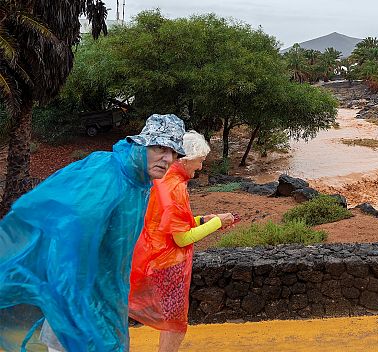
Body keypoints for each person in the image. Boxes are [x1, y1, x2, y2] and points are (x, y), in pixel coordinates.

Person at [0, 114, 186, 352]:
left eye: (174, 153)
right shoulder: (106, 174)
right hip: (78, 304)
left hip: (104, 299)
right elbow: (70, 237)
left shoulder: (140, 183)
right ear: (141, 144)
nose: (168, 158)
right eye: (160, 147)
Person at [129, 131, 235, 352]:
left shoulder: (163, 179)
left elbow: (172, 223)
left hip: (154, 256)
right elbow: (182, 237)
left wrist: (205, 219)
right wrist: (217, 223)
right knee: (175, 324)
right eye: (200, 161)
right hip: (168, 264)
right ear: (187, 158)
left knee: (170, 321)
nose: (201, 167)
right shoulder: (175, 186)